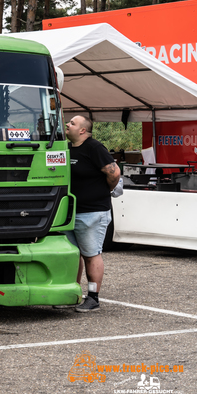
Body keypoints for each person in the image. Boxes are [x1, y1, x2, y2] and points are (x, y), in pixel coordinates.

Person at [65, 115, 121, 312]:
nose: (67, 124)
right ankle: (72, 294)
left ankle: (93, 298)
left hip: (93, 212)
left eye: (72, 123)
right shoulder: (68, 148)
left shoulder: (94, 147)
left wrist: (106, 190)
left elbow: (114, 173)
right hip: (70, 212)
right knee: (73, 255)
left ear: (82, 131)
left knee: (91, 254)